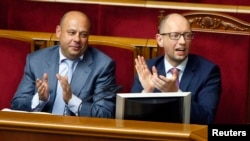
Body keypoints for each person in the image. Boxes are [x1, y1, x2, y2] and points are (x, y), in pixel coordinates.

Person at [11, 11, 119, 118]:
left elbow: (105, 114)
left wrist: (72, 100)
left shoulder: (103, 65)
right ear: (58, 32)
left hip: (77, 132)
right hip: (40, 131)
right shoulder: (36, 60)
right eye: (71, 33)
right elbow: (16, 104)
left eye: (83, 35)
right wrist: (39, 99)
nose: (77, 39)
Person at [131, 13, 221, 124]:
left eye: (187, 35)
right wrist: (147, 93)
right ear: (160, 40)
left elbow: (207, 119)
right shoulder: (147, 69)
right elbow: (131, 121)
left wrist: (176, 94)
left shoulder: (208, 72)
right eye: (175, 35)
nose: (183, 41)